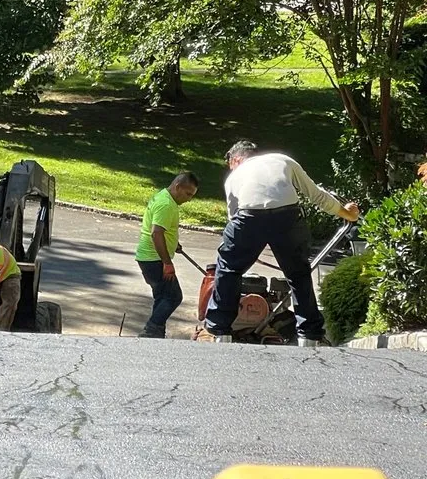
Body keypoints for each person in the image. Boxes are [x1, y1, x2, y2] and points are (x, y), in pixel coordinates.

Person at [202, 141, 361, 345]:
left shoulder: (234, 176)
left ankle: (219, 330)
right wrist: (347, 213)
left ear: (235, 160)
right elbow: (317, 196)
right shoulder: (283, 160)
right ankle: (310, 334)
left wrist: (248, 246)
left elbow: (234, 218)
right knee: (298, 274)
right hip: (287, 216)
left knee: (229, 270)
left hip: (248, 217)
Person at [134, 172, 199, 338]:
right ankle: (151, 330)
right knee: (174, 297)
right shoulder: (166, 205)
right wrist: (167, 263)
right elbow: (156, 233)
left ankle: (156, 334)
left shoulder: (163, 197)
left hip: (148, 257)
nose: (189, 199)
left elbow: (161, 230)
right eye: (188, 194)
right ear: (177, 187)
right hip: (154, 259)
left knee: (162, 296)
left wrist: (173, 243)